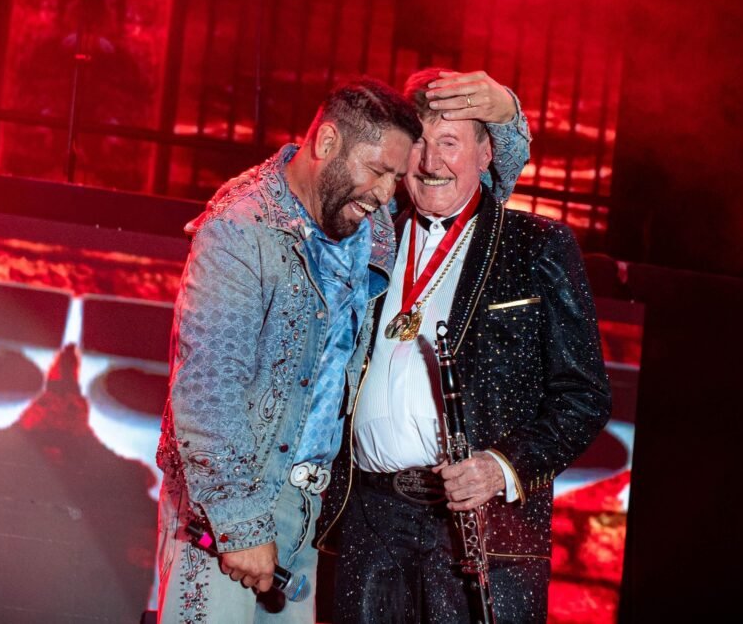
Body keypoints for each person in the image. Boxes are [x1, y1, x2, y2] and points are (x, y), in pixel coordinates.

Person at [319, 68, 613, 623]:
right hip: (367, 519)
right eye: (421, 144)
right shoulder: (367, 235)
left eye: (450, 143)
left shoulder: (538, 245)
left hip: (479, 526)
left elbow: (584, 397)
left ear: (486, 155)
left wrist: (502, 467)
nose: (432, 163)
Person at [155, 77, 422, 624]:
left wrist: (505, 117)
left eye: (397, 176)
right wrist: (241, 523)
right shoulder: (240, 227)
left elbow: (478, 186)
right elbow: (208, 387)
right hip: (226, 505)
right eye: (377, 170)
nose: (386, 194)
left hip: (309, 507)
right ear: (326, 144)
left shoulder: (370, 228)